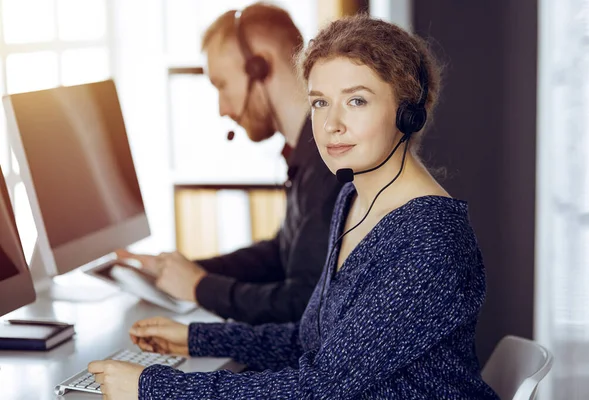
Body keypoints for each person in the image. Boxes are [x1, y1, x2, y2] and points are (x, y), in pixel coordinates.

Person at [89, 14, 500, 399]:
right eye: (320, 102)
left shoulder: (427, 242)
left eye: (356, 101)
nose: (331, 124)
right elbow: (311, 342)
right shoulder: (353, 199)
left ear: (406, 113)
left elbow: (318, 389)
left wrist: (156, 389)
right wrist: (197, 338)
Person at [117, 3, 342, 325]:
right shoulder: (306, 153)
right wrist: (186, 270)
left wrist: (200, 287)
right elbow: (282, 253)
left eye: (222, 84)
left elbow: (303, 303)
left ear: (259, 67)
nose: (222, 108)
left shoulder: (328, 163)